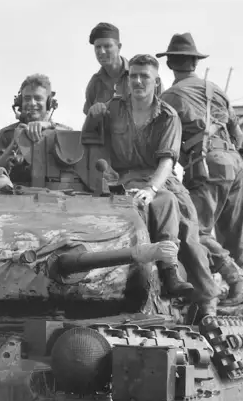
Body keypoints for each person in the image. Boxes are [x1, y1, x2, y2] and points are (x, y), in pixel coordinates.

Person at [82, 53, 219, 317]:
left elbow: (167, 161)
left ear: (156, 82)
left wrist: (152, 189)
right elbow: (88, 138)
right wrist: (92, 113)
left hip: (159, 176)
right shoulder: (113, 108)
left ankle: (207, 302)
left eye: (144, 76)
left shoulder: (167, 115)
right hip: (124, 178)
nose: (137, 81)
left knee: (189, 230)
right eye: (133, 75)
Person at [159, 33, 243, 305]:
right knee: (236, 230)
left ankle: (233, 277)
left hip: (207, 165)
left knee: (194, 230)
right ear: (194, 62)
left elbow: (163, 138)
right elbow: (238, 132)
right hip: (235, 163)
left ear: (170, 65)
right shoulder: (216, 89)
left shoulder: (170, 97)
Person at [0, 74, 71, 187]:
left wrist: (48, 126)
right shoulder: (6, 135)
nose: (32, 103)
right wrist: (13, 144)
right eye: (27, 98)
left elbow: (75, 143)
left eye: (38, 98)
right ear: (20, 102)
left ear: (48, 103)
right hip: (13, 197)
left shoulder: (62, 132)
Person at [83, 22, 132, 115]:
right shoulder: (95, 83)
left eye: (107, 46)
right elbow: (90, 121)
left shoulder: (140, 75)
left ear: (119, 47)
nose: (102, 51)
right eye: (98, 47)